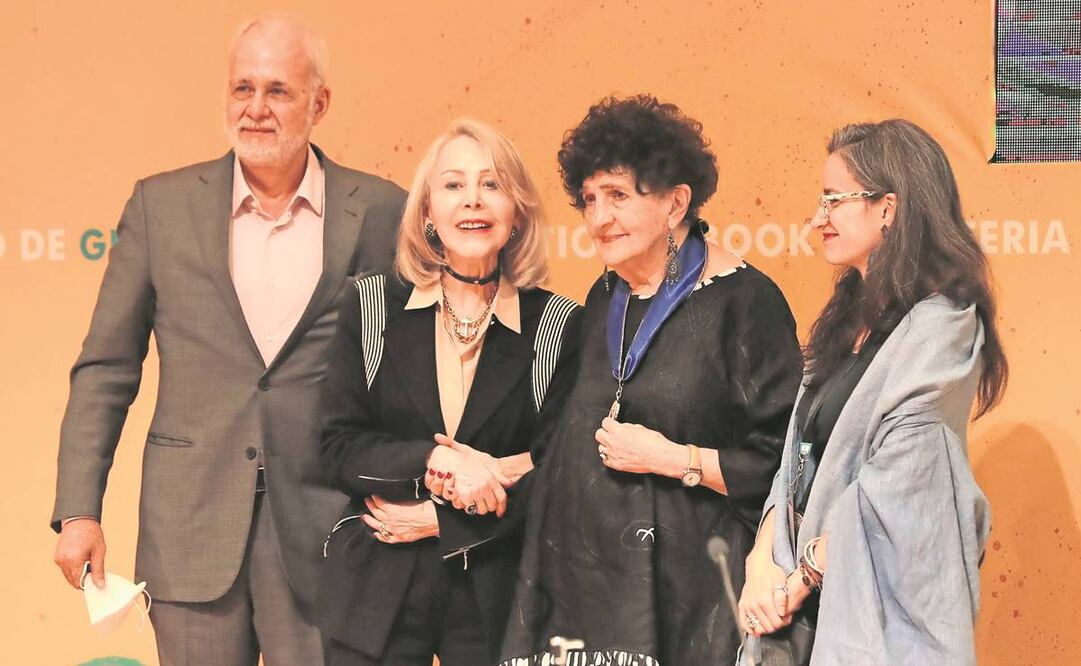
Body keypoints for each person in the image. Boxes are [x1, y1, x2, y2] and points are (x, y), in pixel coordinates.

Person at [50, 15, 406, 665]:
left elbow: (409, 373)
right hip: (190, 529)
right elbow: (106, 367)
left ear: (319, 103)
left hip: (329, 528)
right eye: (242, 88)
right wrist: (79, 510)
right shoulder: (161, 207)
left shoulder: (383, 210)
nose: (256, 110)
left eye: (278, 90)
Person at [500, 95, 803, 665]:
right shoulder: (602, 297)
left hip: (694, 603)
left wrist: (674, 459)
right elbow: (564, 443)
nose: (597, 219)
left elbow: (786, 465)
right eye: (589, 199)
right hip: (584, 599)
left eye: (618, 195)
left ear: (675, 202)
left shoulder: (746, 302)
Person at [737, 119, 1008, 665]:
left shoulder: (943, 329)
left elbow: (900, 487)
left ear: (888, 208)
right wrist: (760, 563)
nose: (817, 219)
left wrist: (804, 578)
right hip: (791, 611)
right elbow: (797, 464)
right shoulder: (842, 322)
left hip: (871, 626)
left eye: (834, 200)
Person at [317, 118, 581, 666]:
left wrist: (443, 521)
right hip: (377, 589)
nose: (473, 201)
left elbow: (559, 472)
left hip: (499, 594)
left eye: (492, 184)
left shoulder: (557, 322)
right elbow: (337, 449)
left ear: (518, 210)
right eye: (453, 185)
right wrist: (439, 461)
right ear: (427, 211)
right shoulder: (371, 306)